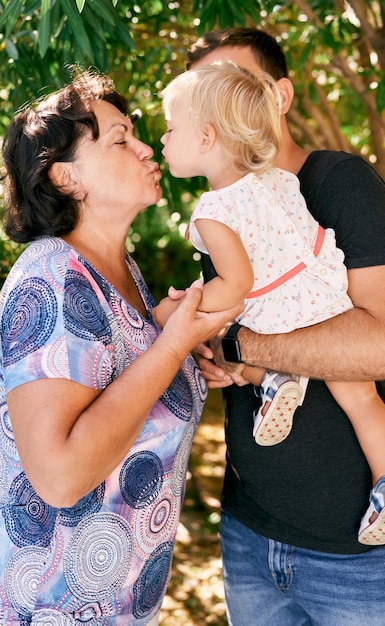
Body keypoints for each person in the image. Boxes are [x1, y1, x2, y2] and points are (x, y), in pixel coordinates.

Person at [0, 68, 242, 626]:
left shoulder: (124, 276)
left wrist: (168, 338)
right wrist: (170, 349)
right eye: (120, 139)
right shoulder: (50, 278)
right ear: (65, 178)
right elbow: (61, 476)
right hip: (40, 607)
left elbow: (123, 384)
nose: (146, 148)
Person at [181, 28, 385, 626]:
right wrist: (217, 355)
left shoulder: (343, 183)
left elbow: (378, 346)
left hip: (354, 559)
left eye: (235, 86)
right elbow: (236, 330)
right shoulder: (225, 205)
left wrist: (251, 346)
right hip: (249, 531)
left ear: (281, 96)